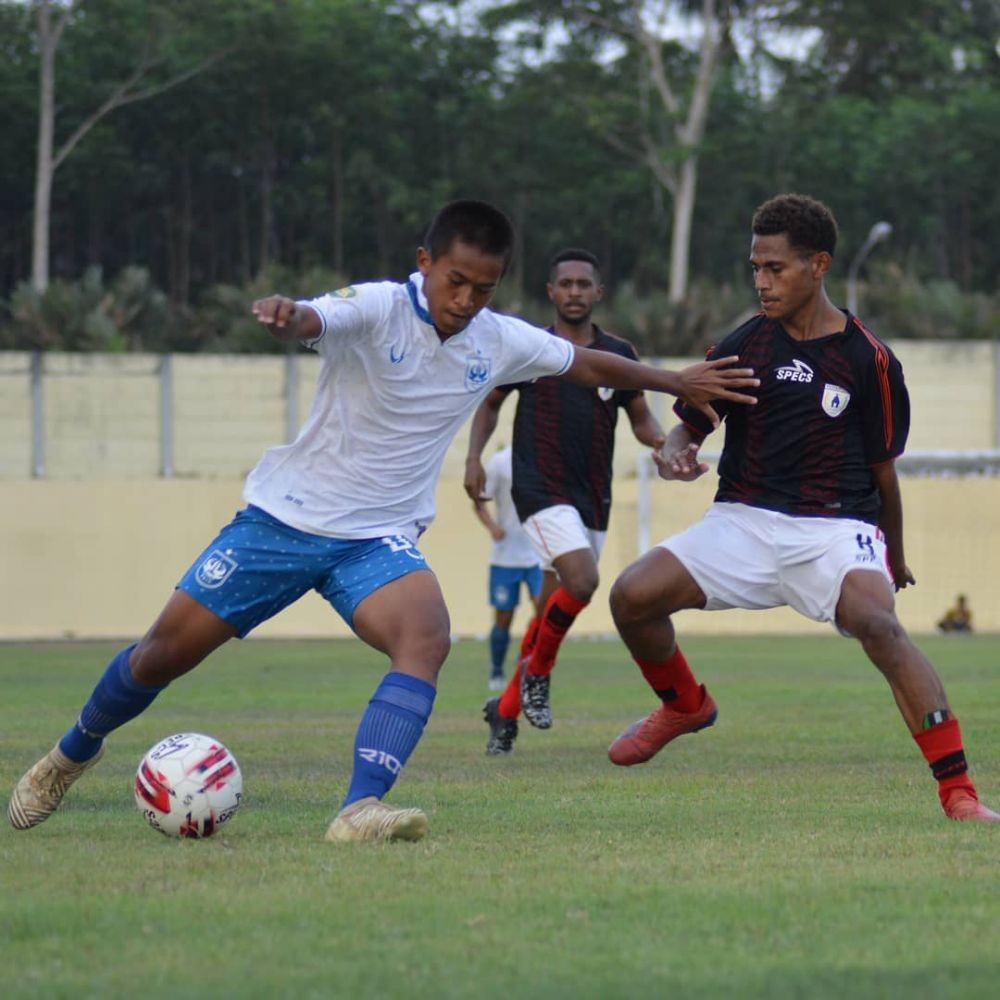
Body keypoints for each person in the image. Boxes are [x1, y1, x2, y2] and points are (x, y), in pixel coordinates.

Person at [7, 200, 759, 842]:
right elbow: (317, 316)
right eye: (454, 280)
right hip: (283, 522)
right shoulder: (377, 306)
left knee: (425, 637)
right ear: (425, 261)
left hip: (376, 538)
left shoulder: (498, 338)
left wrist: (673, 380)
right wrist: (287, 315)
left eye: (483, 287)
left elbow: (586, 363)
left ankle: (358, 807)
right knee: (158, 657)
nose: (465, 298)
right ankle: (69, 756)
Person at [605, 193, 998, 823]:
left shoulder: (869, 360)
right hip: (741, 519)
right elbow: (688, 427)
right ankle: (684, 704)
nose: (761, 282)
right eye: (755, 268)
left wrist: (892, 554)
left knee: (881, 627)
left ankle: (958, 793)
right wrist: (674, 452)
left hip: (835, 527)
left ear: (818, 265)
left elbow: (884, 476)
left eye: (775, 269)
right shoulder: (744, 346)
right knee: (629, 597)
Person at [465, 248, 667, 755]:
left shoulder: (619, 353)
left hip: (591, 496)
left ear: (598, 293)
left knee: (550, 613)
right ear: (550, 292)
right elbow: (489, 406)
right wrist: (474, 460)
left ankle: (504, 711)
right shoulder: (530, 349)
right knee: (583, 581)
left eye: (584, 284)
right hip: (539, 489)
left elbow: (642, 418)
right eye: (565, 283)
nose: (574, 291)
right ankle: (538, 677)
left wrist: (667, 447)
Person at [473, 444, 545, 691]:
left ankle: (527, 662)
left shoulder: (545, 456)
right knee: (504, 617)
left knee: (544, 610)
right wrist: (492, 527)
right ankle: (496, 670)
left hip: (538, 554)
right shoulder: (500, 462)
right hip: (506, 556)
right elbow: (479, 501)